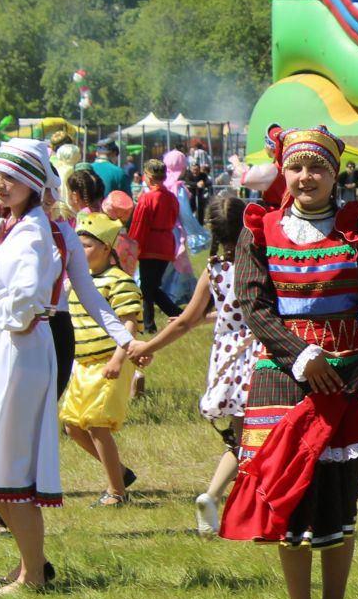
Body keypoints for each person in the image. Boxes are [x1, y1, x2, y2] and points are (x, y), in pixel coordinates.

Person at [219, 126, 358, 599]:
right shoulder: (258, 228)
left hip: (348, 376)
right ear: (283, 171)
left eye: (318, 168)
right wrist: (301, 356)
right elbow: (254, 306)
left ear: (335, 174)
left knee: (338, 498)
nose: (307, 177)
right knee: (285, 494)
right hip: (282, 376)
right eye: (297, 167)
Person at [0, 136, 137, 593]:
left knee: (5, 466)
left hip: (24, 348)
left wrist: (124, 339)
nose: (0, 184)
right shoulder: (9, 227)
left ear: (32, 183)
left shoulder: (36, 233)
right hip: (8, 347)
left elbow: (58, 293)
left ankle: (32, 575)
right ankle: (34, 566)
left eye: (11, 178)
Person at [124, 193, 253, 535]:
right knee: (263, 439)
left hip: (228, 362)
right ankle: (249, 507)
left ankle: (213, 495)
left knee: (241, 441)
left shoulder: (214, 269)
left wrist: (148, 345)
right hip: (260, 356)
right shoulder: (260, 262)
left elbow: (184, 321)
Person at [56, 211, 144, 505]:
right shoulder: (78, 282)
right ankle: (118, 471)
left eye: (87, 246)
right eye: (77, 246)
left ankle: (116, 492)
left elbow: (129, 323)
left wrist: (118, 360)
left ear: (107, 248)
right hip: (82, 365)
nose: (80, 252)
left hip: (108, 362)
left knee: (97, 425)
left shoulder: (119, 281)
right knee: (72, 425)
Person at [128, 159, 184, 335]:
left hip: (150, 244)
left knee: (147, 287)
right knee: (152, 286)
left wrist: (133, 245)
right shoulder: (171, 198)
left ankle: (151, 323)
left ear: (148, 177)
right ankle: (175, 314)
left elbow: (139, 224)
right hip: (166, 243)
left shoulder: (146, 198)